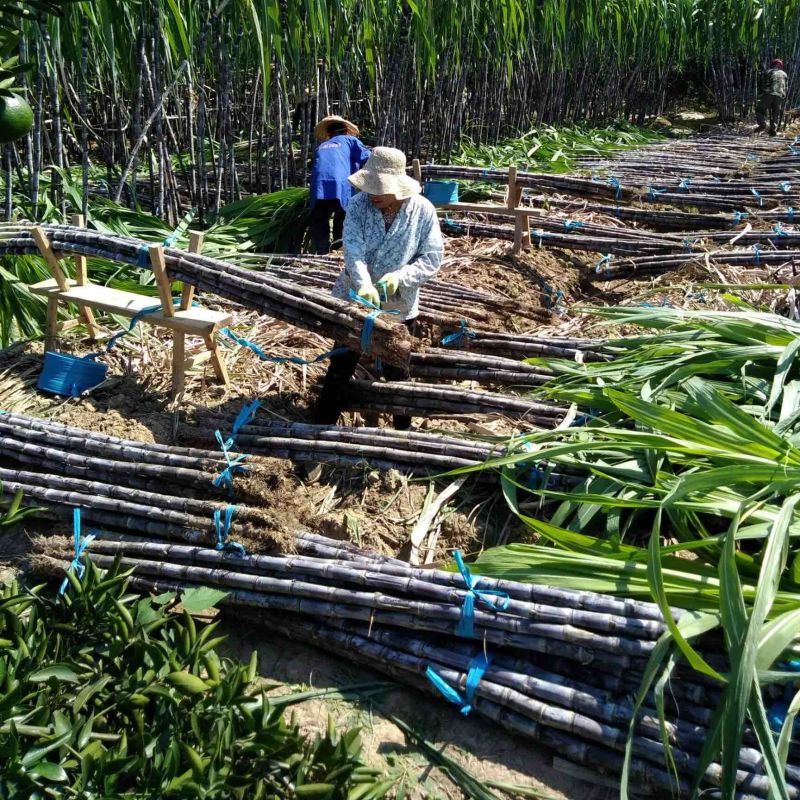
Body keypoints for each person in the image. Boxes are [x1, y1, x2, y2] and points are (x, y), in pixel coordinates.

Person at [313, 146, 444, 431]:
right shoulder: (359, 206)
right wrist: (364, 284)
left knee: (398, 369)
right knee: (341, 366)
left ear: (397, 188)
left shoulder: (422, 211)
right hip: (356, 297)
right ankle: (320, 428)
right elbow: (353, 250)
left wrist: (401, 277)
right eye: (370, 187)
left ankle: (402, 431)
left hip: (399, 304)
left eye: (379, 190)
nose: (373, 195)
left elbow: (432, 257)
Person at [308, 115, 371, 254]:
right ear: (347, 131)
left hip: (318, 187)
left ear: (329, 133)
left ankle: (322, 253)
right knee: (342, 216)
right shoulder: (350, 140)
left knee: (319, 218)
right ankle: (338, 250)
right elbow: (366, 157)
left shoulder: (322, 146)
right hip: (340, 186)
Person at [756, 58, 789, 136]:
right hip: (779, 95)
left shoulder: (767, 72)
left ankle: (762, 124)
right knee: (775, 113)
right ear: (780, 66)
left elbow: (761, 84)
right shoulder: (784, 74)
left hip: (768, 93)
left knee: (760, 110)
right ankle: (773, 129)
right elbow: (786, 87)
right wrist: (784, 96)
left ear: (772, 65)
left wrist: (761, 94)